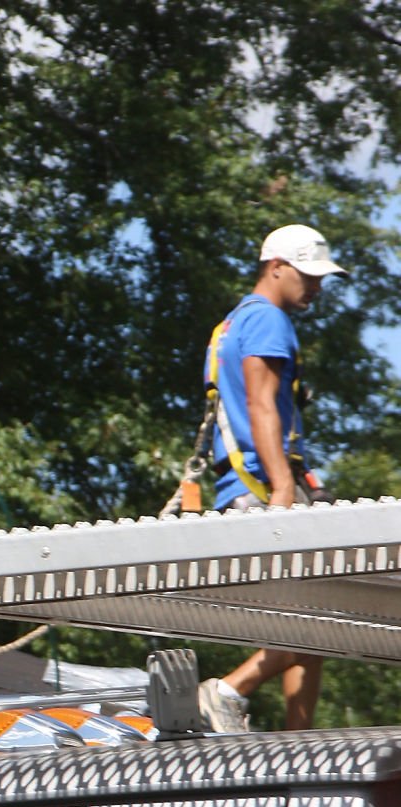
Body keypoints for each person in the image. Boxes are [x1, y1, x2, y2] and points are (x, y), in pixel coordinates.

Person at [196, 223, 347, 734]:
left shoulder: (235, 322)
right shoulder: (268, 321)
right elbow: (261, 405)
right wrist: (284, 490)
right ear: (275, 267)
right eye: (307, 275)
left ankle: (296, 734)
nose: (316, 286)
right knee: (324, 616)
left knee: (311, 616)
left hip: (250, 486)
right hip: (263, 489)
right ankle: (229, 690)